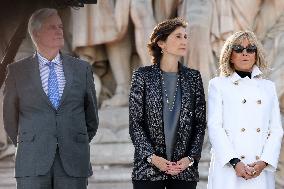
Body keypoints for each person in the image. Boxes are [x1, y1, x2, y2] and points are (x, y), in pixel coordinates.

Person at [3, 8, 99, 189]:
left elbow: (91, 118)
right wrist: (32, 141)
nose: (59, 31)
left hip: (73, 162)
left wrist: (72, 139)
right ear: (36, 34)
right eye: (52, 27)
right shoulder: (17, 72)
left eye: (61, 26)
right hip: (32, 163)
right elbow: (10, 120)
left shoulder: (82, 69)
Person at [129, 17, 206, 189]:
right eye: (178, 36)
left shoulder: (193, 78)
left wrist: (190, 158)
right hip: (148, 170)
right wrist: (152, 158)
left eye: (185, 37)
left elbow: (199, 124)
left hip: (183, 170)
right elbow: (135, 124)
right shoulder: (142, 76)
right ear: (161, 43)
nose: (184, 41)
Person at [207, 31, 283, 189]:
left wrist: (263, 162)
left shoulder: (268, 87)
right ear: (230, 55)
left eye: (250, 49)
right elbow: (215, 126)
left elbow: (276, 130)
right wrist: (235, 162)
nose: (245, 53)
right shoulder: (218, 85)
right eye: (238, 49)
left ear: (256, 55)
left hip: (260, 171)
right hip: (228, 170)